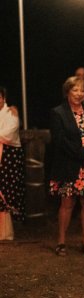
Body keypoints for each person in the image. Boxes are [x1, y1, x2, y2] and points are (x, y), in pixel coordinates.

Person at [49, 76, 84, 256]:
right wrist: (82, 153)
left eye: (82, 90)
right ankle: (61, 242)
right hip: (68, 164)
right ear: (67, 91)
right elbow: (59, 140)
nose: (79, 94)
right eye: (75, 90)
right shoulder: (58, 112)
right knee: (67, 202)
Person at [0, 87, 24, 239]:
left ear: (3, 98)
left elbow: (8, 134)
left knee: (6, 189)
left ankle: (5, 232)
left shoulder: (11, 113)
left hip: (8, 156)